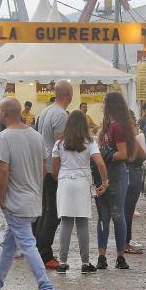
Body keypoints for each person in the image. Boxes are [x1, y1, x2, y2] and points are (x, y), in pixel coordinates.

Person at [0, 98, 56, 290]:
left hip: (15, 200)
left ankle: (46, 288)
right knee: (9, 246)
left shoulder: (4, 137)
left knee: (27, 244)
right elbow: (43, 166)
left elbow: (3, 170)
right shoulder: (36, 137)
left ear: (3, 113)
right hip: (33, 197)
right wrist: (35, 189)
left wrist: (0, 198)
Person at [51, 111, 108, 274]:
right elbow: (101, 164)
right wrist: (105, 182)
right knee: (82, 223)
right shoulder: (90, 142)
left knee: (66, 222)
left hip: (65, 181)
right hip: (83, 182)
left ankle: (62, 262)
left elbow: (54, 170)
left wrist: (59, 177)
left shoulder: (59, 144)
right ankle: (85, 263)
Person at [94, 92, 136, 270]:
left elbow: (124, 154)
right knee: (104, 217)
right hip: (105, 173)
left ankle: (120, 256)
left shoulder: (118, 127)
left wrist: (104, 154)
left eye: (105, 103)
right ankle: (102, 256)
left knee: (116, 215)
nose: (103, 106)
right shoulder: (107, 126)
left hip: (116, 174)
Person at [33, 80, 72, 269]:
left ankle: (36, 247)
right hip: (54, 169)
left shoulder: (45, 111)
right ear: (69, 94)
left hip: (44, 167)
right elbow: (60, 145)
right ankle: (44, 253)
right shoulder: (61, 115)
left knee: (46, 209)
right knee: (54, 213)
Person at [123, 114, 146, 255]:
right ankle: (126, 242)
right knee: (128, 210)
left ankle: (125, 241)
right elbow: (143, 155)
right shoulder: (128, 137)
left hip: (126, 172)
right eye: (134, 125)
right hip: (132, 172)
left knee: (125, 210)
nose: (136, 128)